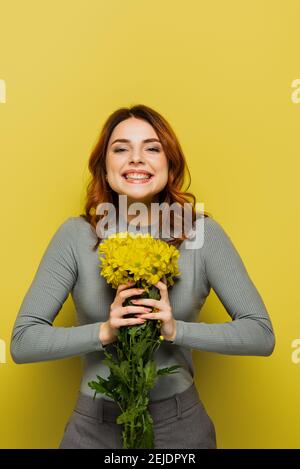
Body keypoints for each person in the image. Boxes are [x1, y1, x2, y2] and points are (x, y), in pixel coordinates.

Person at [10, 104, 276, 449]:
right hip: (94, 429)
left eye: (152, 148)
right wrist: (105, 331)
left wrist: (175, 330)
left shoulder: (201, 234)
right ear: (105, 169)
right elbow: (23, 342)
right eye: (121, 149)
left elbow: (261, 334)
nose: (136, 158)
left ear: (170, 164)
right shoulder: (76, 236)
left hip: (180, 430)